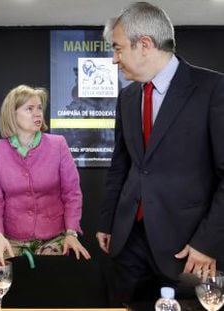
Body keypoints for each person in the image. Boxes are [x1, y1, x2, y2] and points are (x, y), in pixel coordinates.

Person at [96, 1, 224, 305]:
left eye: (117, 49)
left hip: (188, 247)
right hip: (128, 242)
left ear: (144, 45)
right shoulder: (127, 98)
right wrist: (107, 221)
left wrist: (207, 244)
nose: (114, 59)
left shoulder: (214, 89)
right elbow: (121, 166)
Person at [0, 85, 91, 266]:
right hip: (12, 240)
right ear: (12, 114)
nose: (37, 114)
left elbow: (72, 193)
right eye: (29, 109)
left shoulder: (58, 144)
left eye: (39, 108)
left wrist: (71, 232)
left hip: (55, 239)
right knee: (17, 292)